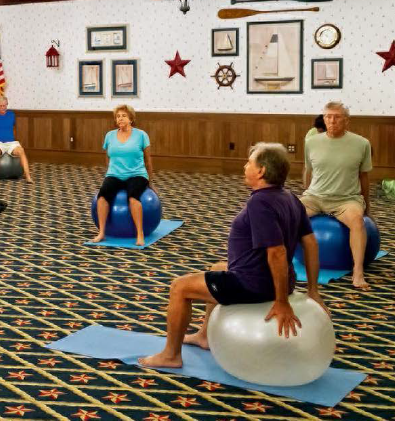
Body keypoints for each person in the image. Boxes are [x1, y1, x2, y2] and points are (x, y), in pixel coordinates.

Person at [138, 143, 327, 369]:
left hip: (252, 284)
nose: (245, 166)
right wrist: (313, 290)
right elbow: (310, 242)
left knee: (180, 287)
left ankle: (171, 355)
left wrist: (281, 301)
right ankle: (204, 336)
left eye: (249, 163)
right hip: (273, 279)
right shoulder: (290, 198)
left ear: (261, 171)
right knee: (218, 268)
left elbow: (277, 252)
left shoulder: (260, 202)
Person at [302, 101, 374, 289]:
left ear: (346, 120)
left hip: (346, 200)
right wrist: (305, 194)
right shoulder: (311, 142)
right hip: (314, 197)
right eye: (328, 116)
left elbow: (364, 177)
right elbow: (308, 171)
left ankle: (358, 271)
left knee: (357, 221)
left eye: (337, 117)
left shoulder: (362, 144)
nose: (332, 121)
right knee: (287, 215)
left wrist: (367, 205)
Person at [90, 105, 154, 246]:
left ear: (131, 119)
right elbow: (107, 157)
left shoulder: (141, 135)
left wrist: (150, 181)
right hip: (115, 174)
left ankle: (140, 234)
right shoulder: (109, 135)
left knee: (133, 197)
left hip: (137, 174)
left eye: (124, 116)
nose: (120, 118)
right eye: (118, 116)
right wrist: (110, 174)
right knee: (102, 196)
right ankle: (101, 233)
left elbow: (148, 160)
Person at [0, 94, 34, 184]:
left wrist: (17, 141)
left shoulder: (11, 115)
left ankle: (28, 176)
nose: (3, 108)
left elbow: (14, 128)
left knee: (21, 150)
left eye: (5, 105)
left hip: (11, 143)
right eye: (1, 106)